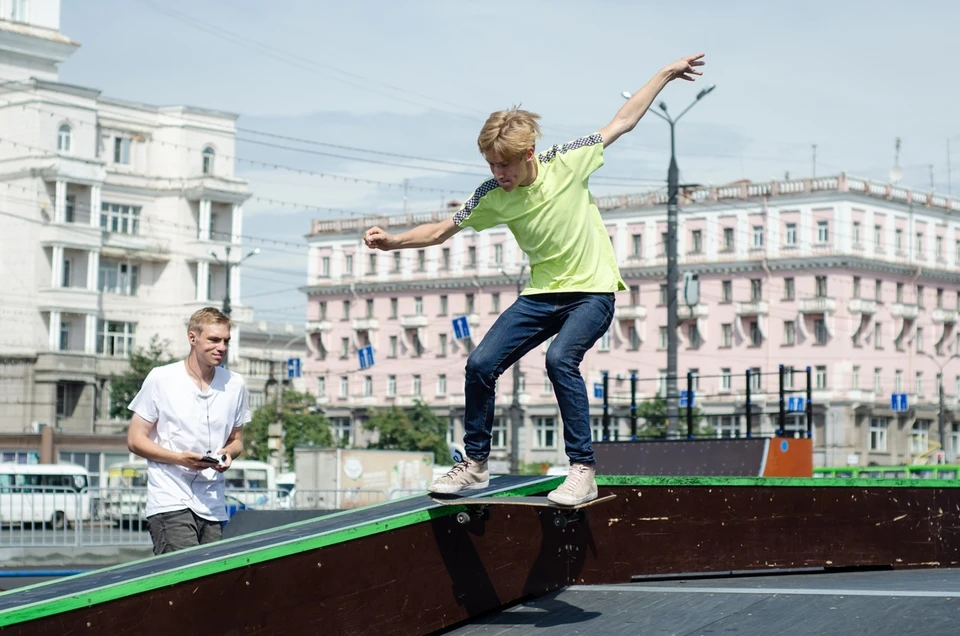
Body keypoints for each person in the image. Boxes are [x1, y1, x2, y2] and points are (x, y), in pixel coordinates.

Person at [364, 54, 706, 505]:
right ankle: (476, 466)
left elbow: (622, 121)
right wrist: (393, 242)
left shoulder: (568, 161)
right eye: (491, 165)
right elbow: (442, 230)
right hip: (542, 296)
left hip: (592, 292)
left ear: (528, 155)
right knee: (480, 365)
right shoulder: (491, 195)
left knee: (559, 358)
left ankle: (582, 470)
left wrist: (664, 74)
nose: (498, 175)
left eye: (505, 166)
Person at [127, 307, 250, 554]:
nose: (222, 347)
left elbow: (237, 440)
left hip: (213, 502)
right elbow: (135, 439)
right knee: (184, 576)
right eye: (214, 339)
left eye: (226, 341)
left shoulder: (235, 384)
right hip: (170, 498)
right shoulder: (162, 378)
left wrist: (228, 453)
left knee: (210, 581)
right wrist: (179, 459)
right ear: (192, 338)